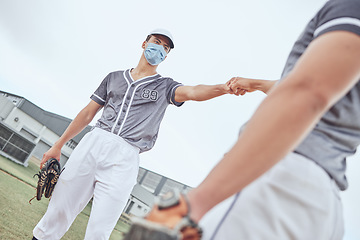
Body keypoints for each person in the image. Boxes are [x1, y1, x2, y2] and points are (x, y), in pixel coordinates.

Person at [32, 28, 236, 240]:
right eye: (157, 41)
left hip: (125, 156)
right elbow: (87, 114)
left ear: (166, 55)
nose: (160, 48)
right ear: (144, 43)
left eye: (165, 47)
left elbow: (194, 92)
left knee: (100, 229)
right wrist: (58, 146)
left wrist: (223, 87)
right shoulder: (113, 77)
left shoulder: (165, 86)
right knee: (57, 212)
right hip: (94, 142)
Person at [183, 0, 360, 239]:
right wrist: (255, 84)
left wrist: (196, 203)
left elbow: (309, 91)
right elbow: (323, 87)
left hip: (282, 175)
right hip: (323, 199)